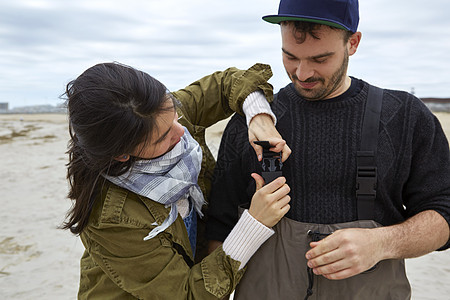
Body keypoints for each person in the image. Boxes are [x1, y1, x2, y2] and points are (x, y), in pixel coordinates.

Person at [206, 0, 450, 299]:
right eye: (289, 56)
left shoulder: (405, 116)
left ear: (353, 42)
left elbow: (444, 214)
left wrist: (382, 243)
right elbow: (217, 228)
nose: (302, 73)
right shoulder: (253, 123)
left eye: (321, 59)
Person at [62, 62, 292, 299]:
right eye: (163, 137)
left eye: (174, 113)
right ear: (122, 155)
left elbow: (229, 82)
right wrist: (253, 223)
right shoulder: (112, 219)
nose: (181, 131)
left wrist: (259, 116)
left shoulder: (157, 115)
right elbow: (186, 295)